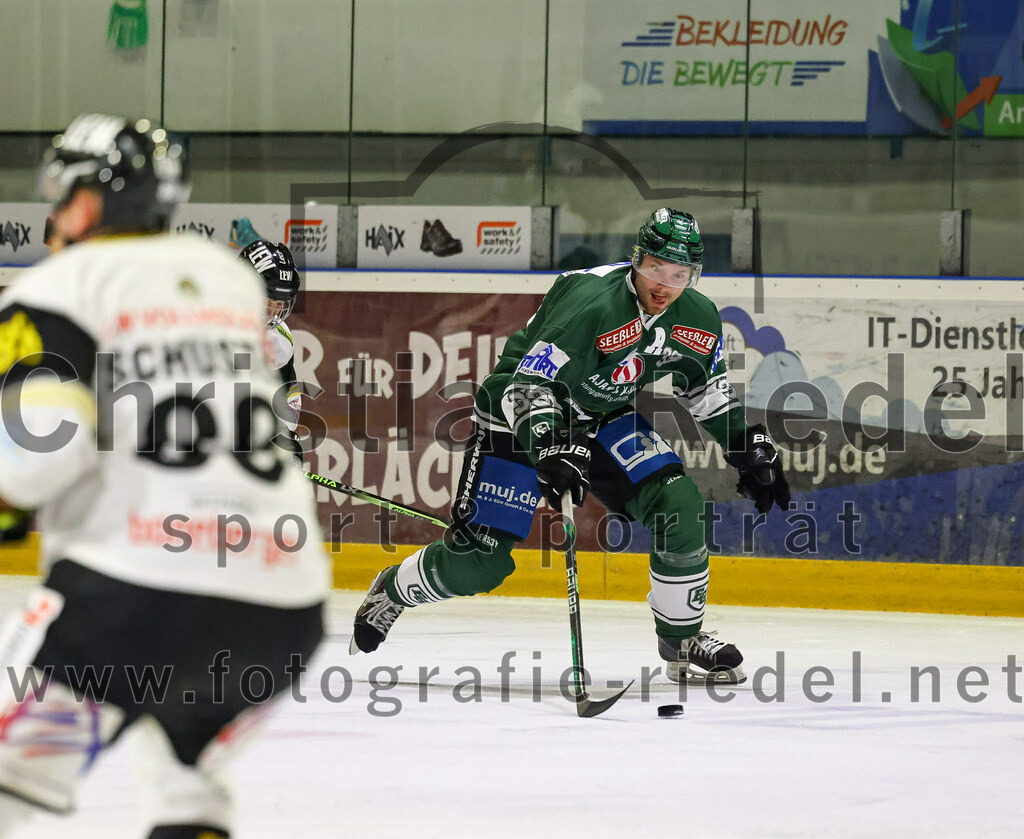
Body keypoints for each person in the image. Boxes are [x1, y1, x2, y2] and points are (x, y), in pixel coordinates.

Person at [0, 114, 330, 838]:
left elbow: (37, 457)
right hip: (284, 609)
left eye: (63, 194)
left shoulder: (59, 284)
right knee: (186, 781)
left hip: (131, 599)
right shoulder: (227, 281)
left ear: (87, 202)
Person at [350, 207, 790, 685]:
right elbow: (526, 387)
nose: (665, 285)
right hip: (516, 418)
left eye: (679, 275)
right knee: (480, 563)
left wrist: (746, 445)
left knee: (679, 504)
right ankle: (393, 590)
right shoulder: (592, 303)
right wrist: (549, 446)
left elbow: (705, 390)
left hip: (600, 416)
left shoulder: (697, 316)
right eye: (656, 269)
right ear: (637, 259)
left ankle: (681, 639)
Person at [238, 239, 304, 461]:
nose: (275, 310)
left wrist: (284, 435)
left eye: (281, 302)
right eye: (270, 299)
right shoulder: (204, 322)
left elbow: (288, 396)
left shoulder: (279, 341)